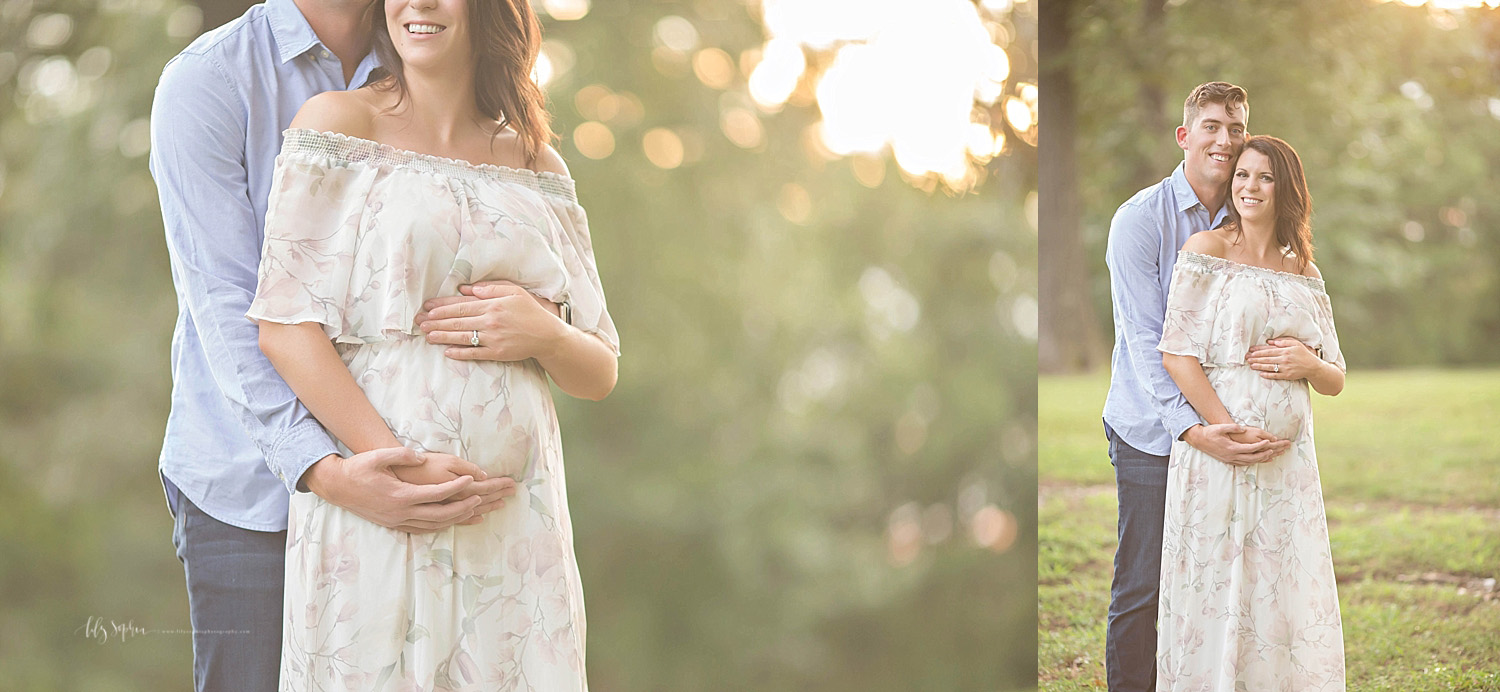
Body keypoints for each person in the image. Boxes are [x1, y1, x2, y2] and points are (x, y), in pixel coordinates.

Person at [148, 0, 526, 687]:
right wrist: (327, 470)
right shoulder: (209, 80)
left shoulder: (430, 53)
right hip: (255, 496)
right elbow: (226, 308)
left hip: (418, 484)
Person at [247, 0, 619, 685]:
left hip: (515, 525)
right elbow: (285, 327)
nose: (416, 3)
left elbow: (598, 368)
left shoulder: (537, 162)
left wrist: (545, 333)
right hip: (384, 505)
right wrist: (395, 465)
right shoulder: (337, 124)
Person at [1101, 81, 1295, 691]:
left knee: (1213, 580)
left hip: (1229, 432)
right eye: (1211, 126)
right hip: (1154, 432)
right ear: (1185, 136)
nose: (1225, 140)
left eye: (1235, 129)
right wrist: (1195, 429)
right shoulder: (1139, 221)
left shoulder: (1247, 219)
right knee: (1145, 584)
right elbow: (1144, 342)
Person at [1155, 135, 1346, 689]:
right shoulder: (1206, 249)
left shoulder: (1305, 271)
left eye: (1263, 177)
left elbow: (1335, 376)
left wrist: (1306, 364)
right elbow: (1177, 353)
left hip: (1289, 468)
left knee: (1279, 587)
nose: (1249, 187)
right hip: (1219, 454)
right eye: (1241, 175)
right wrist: (1222, 428)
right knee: (1215, 582)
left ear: (1285, 188)